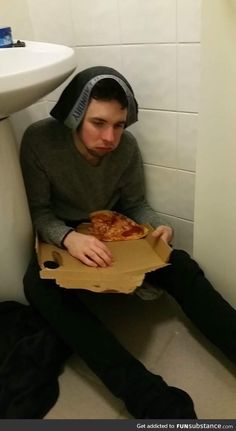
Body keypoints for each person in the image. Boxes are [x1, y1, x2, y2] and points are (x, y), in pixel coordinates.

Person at [20, 66, 236, 419]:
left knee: (179, 262)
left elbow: (135, 205)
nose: (110, 137)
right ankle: (147, 396)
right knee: (37, 285)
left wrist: (158, 227)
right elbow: (40, 213)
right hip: (66, 230)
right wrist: (70, 238)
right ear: (74, 117)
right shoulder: (40, 141)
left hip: (113, 226)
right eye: (98, 123)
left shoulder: (127, 148)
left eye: (119, 125)